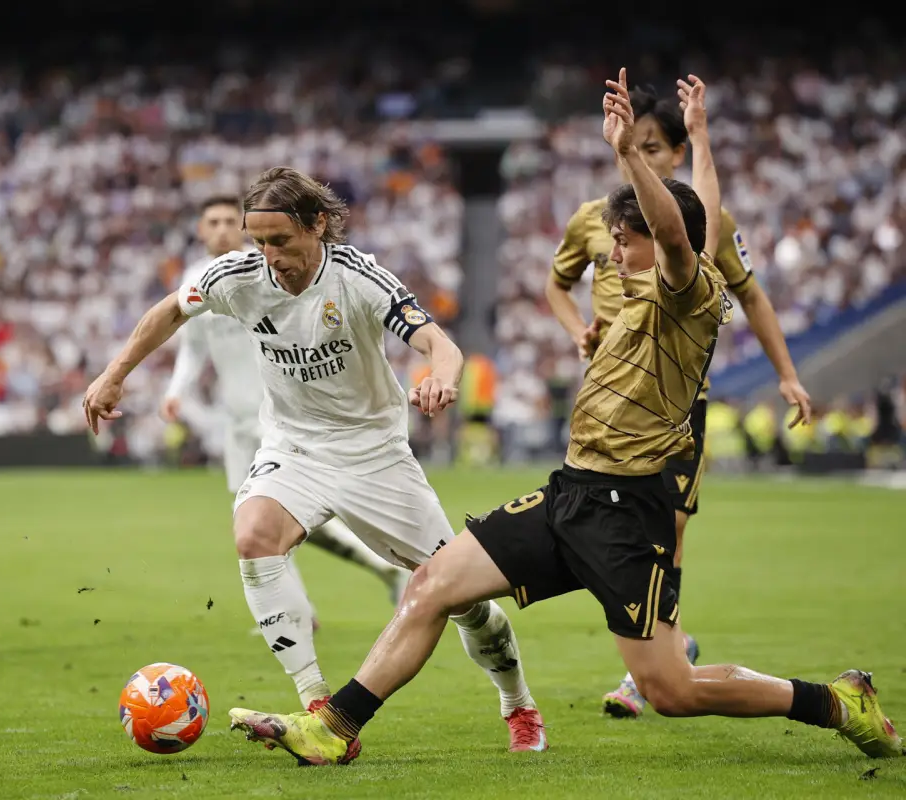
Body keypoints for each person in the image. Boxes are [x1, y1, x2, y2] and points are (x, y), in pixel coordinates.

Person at [227, 72, 901, 766]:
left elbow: (682, 230)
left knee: (669, 689)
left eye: (626, 241)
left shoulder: (689, 293)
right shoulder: (641, 287)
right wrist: (692, 144)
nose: (614, 255)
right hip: (571, 492)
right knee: (433, 584)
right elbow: (688, 216)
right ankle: (334, 726)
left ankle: (834, 702)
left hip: (628, 513)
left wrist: (629, 153)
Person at [85, 167, 546, 756]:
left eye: (280, 240)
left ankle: (518, 704)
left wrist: (443, 378)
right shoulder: (237, 277)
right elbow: (170, 311)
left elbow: (440, 344)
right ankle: (318, 710)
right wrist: (114, 374)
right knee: (254, 535)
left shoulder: (357, 277)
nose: (270, 256)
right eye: (259, 242)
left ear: (318, 225)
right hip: (294, 447)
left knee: (462, 598)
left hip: (374, 456)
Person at [544, 74, 814, 718]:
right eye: (636, 147)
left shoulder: (688, 248)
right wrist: (580, 331)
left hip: (672, 401)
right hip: (616, 394)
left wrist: (787, 373)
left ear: (672, 155)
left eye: (655, 147)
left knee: (668, 529)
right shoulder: (600, 221)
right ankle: (668, 648)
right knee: (619, 527)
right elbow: (556, 285)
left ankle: (655, 661)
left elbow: (719, 251)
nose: (645, 156)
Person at [160, 197, 409, 633]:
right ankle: (315, 601)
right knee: (256, 517)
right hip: (236, 420)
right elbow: (194, 347)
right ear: (200, 230)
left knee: (266, 514)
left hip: (276, 415)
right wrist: (176, 390)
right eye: (212, 222)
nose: (221, 229)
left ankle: (300, 607)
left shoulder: (264, 273)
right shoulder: (197, 280)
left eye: (229, 221)